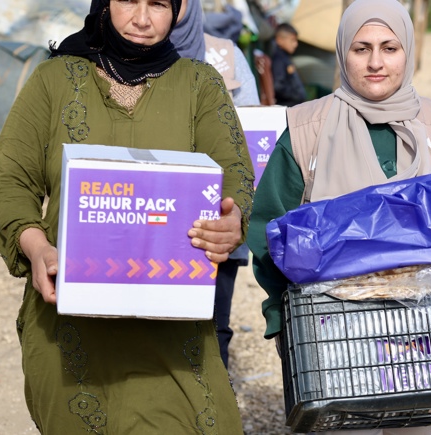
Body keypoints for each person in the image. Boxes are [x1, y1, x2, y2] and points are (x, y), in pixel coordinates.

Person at [0, 0, 254, 432]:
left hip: (173, 329)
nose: (143, 19)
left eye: (158, 4)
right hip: (70, 326)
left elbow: (234, 175)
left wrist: (231, 219)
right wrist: (36, 247)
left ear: (179, 10)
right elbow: (10, 180)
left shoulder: (200, 84)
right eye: (129, 0)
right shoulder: (54, 80)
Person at [248, 1, 431, 433]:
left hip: (423, 339)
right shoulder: (306, 130)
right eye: (361, 48)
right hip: (335, 337)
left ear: (408, 52)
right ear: (342, 53)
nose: (375, 62)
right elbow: (268, 229)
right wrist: (282, 320)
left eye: (389, 48)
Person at [171, 0, 259, 369]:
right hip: (146, 224)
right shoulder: (108, 59)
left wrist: (236, 212)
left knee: (209, 337)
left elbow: (252, 142)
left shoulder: (224, 57)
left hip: (213, 231)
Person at [269, 22, 307, 107]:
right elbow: (278, 86)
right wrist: (296, 96)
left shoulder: (285, 57)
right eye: (292, 40)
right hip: (287, 108)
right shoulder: (279, 59)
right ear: (279, 40)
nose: (295, 44)